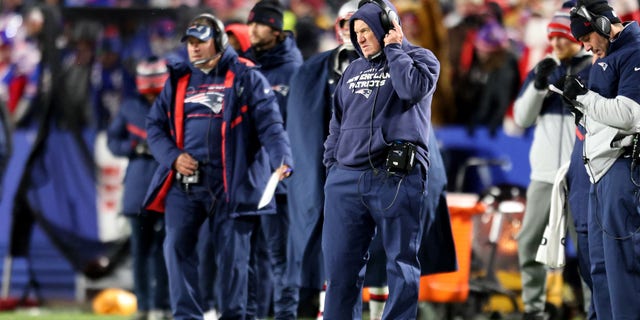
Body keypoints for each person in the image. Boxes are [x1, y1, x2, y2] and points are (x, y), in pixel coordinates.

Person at [142, 12, 293, 320]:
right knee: (176, 247)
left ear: (220, 43)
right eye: (190, 42)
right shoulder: (178, 80)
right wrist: (172, 156)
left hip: (231, 181)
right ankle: (187, 316)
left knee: (234, 260)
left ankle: (234, 316)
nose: (194, 48)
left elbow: (271, 125)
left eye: (202, 42)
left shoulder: (247, 77)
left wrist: (282, 159)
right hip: (186, 183)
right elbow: (154, 127)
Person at [321, 0, 455, 318]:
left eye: (367, 30)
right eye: (357, 32)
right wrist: (332, 167)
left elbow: (410, 90)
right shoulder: (352, 70)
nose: (361, 38)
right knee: (340, 269)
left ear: (387, 26)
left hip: (393, 177)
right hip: (345, 180)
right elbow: (336, 124)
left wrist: (395, 49)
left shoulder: (420, 58)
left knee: (400, 265)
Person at [512, 4, 592, 319]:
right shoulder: (544, 69)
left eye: (562, 37)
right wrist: (537, 85)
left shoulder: (594, 67)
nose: (556, 44)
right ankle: (534, 308)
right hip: (544, 174)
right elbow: (521, 117)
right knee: (529, 242)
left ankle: (593, 309)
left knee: (586, 249)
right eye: (552, 38)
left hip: (582, 175)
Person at [564, 0, 640, 318]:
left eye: (585, 38)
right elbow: (601, 113)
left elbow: (631, 115)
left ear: (603, 26)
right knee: (599, 269)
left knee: (621, 266)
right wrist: (581, 110)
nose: (584, 47)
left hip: (622, 168)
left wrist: (584, 98)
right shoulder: (602, 56)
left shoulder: (634, 52)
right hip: (597, 171)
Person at [286, 1, 360, 317]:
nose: (350, 30)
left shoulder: (395, 66)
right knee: (318, 231)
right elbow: (302, 125)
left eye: (357, 23)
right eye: (345, 23)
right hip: (326, 170)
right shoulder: (313, 70)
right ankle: (316, 304)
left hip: (366, 170)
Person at [245, 1, 303, 318]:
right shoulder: (246, 65)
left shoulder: (294, 70)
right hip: (249, 177)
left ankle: (285, 315)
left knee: (281, 256)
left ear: (276, 29)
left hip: (280, 179)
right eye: (250, 23)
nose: (252, 29)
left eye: (260, 24)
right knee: (249, 255)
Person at [107, 56, 171, 320]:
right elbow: (114, 141)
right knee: (141, 252)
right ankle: (144, 306)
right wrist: (134, 148)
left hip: (167, 187)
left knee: (165, 251)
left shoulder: (173, 106)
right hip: (138, 189)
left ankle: (163, 305)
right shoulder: (130, 107)